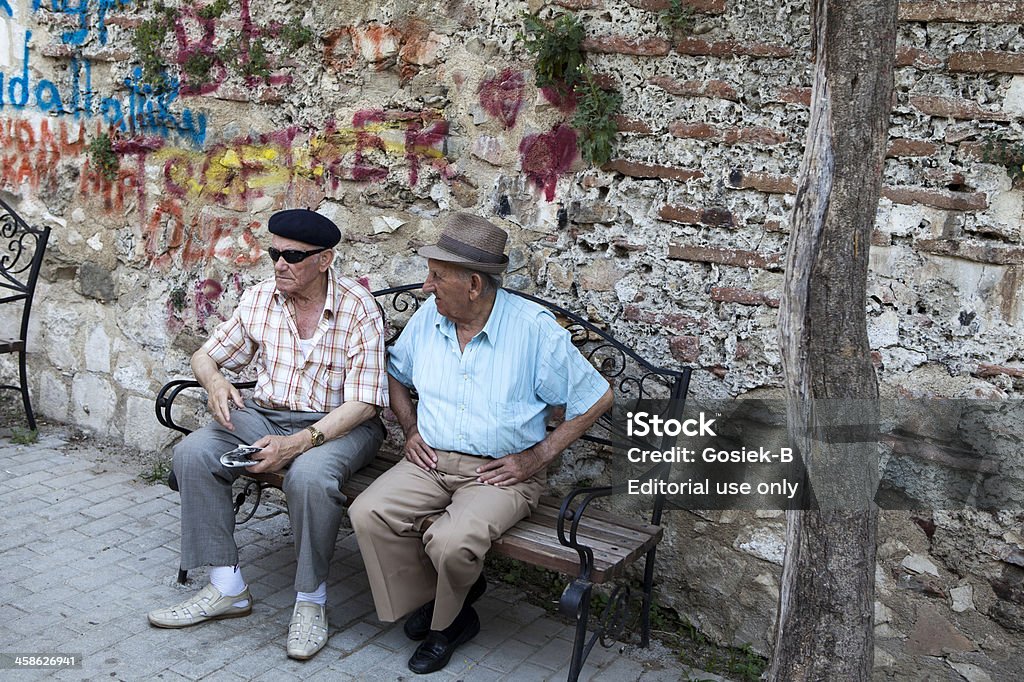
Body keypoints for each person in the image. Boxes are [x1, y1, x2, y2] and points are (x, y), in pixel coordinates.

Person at [349, 213, 613, 674]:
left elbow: (598, 396)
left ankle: (447, 626)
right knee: (368, 512)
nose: (425, 287)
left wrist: (539, 455)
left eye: (437, 276)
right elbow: (393, 371)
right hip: (430, 459)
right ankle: (440, 600)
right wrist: (410, 430)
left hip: (499, 474)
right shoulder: (429, 321)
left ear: (474, 284)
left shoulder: (534, 330)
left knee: (451, 540)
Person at [148, 209, 388, 661]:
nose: (279, 264)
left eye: (292, 256)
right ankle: (227, 587)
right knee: (195, 452)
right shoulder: (261, 298)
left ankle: (311, 601)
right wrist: (215, 382)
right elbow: (205, 355)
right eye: (274, 253)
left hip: (341, 424)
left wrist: (296, 446)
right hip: (268, 415)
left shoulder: (359, 309)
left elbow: (366, 403)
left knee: (309, 478)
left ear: (325, 260)